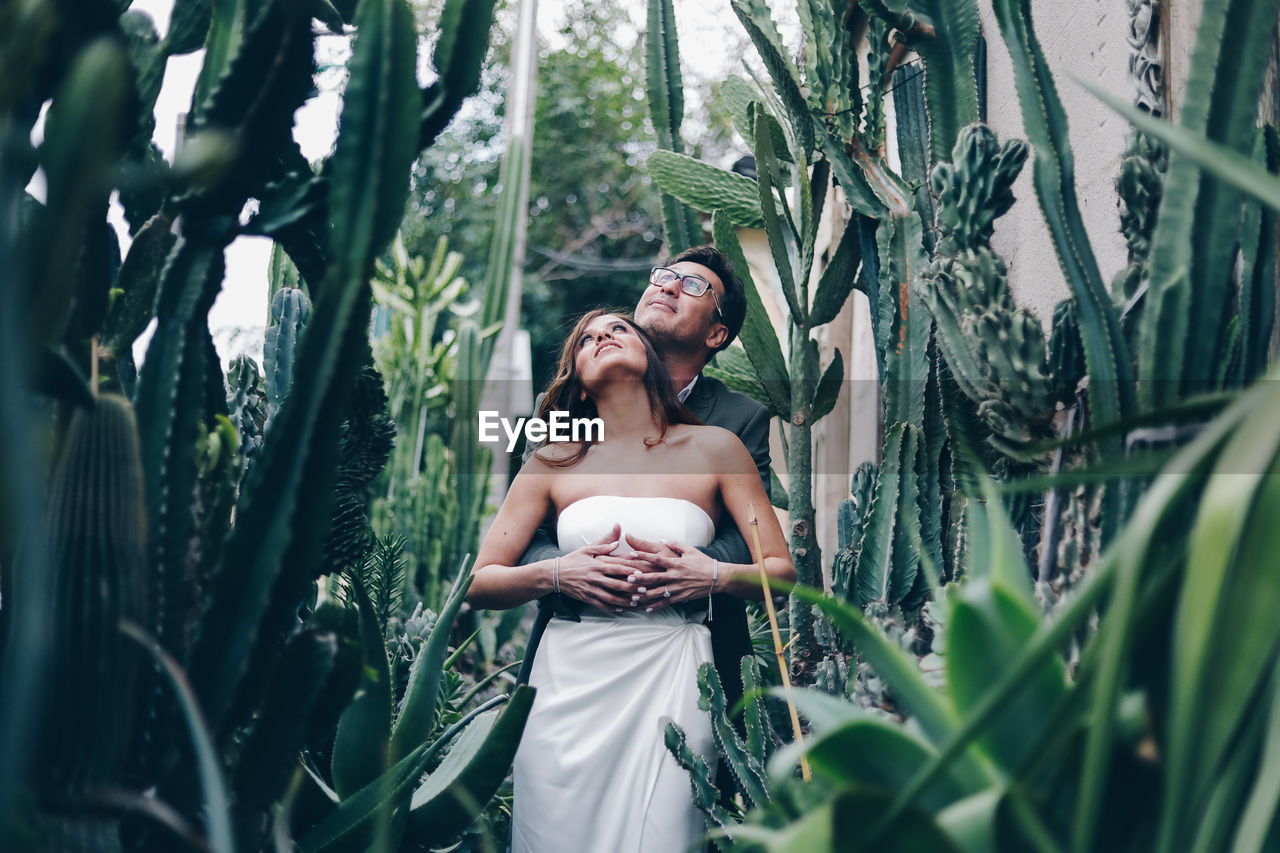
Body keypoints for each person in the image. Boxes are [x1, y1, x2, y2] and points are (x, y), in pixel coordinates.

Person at [468, 307, 793, 853]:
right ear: (576, 377)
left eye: (618, 329)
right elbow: (479, 583)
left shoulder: (716, 447)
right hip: (569, 680)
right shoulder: (552, 460)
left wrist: (711, 574)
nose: (603, 338)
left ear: (648, 356)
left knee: (664, 831)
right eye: (587, 339)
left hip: (674, 671)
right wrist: (556, 572)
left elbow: (782, 576)